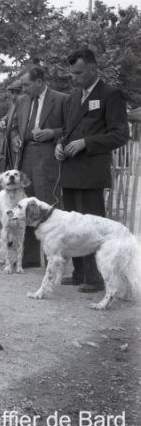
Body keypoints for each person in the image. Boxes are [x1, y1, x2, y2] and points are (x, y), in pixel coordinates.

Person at [55, 48, 129, 292]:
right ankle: (79, 273)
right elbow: (66, 132)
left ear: (93, 69)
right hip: (70, 171)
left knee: (92, 228)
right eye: (71, 73)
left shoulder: (111, 94)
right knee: (72, 227)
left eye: (78, 73)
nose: (73, 78)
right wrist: (60, 145)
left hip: (91, 173)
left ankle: (95, 277)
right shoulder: (72, 98)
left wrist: (87, 142)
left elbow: (120, 134)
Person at [9, 65, 67, 267]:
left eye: (27, 85)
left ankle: (53, 259)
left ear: (40, 82)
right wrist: (15, 138)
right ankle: (29, 258)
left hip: (48, 158)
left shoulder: (61, 99)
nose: (23, 89)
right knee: (26, 206)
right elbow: (13, 127)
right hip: (26, 157)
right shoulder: (22, 101)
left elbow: (70, 129)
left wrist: (53, 133)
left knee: (48, 206)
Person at [0, 78, 23, 170]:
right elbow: (7, 116)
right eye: (12, 93)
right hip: (7, 155)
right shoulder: (13, 106)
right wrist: (3, 121)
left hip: (20, 157)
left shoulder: (32, 109)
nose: (14, 96)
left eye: (18, 92)